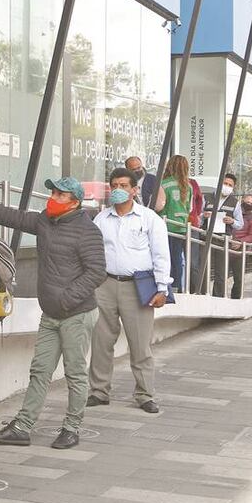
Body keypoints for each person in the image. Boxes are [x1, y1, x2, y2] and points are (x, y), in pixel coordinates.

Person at [0, 177, 106, 450]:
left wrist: (65, 299)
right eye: (52, 192)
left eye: (60, 194)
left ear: (74, 202)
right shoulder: (45, 221)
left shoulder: (88, 231)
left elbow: (96, 272)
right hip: (51, 313)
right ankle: (23, 427)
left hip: (77, 314)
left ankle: (72, 428)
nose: (53, 197)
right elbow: (10, 216)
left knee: (75, 373)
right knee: (40, 370)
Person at [88, 168, 172, 414]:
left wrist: (162, 288)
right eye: (114, 185)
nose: (118, 189)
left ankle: (145, 394)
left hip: (138, 287)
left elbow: (160, 255)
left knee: (140, 343)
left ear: (135, 190)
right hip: (104, 285)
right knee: (101, 340)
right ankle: (99, 391)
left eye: (124, 185)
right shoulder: (101, 219)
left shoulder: (149, 219)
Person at [204, 173, 245, 297]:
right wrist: (203, 216)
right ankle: (201, 294)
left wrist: (232, 221)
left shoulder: (234, 203)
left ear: (233, 188)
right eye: (225, 183)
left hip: (223, 239)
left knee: (221, 272)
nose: (227, 186)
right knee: (203, 269)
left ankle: (218, 297)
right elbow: (197, 217)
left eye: (230, 185)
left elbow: (240, 224)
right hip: (206, 237)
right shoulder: (207, 198)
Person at [158, 155, 192, 293]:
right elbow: (190, 208)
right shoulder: (188, 186)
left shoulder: (164, 184)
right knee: (177, 258)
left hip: (166, 226)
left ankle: (167, 286)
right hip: (182, 226)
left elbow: (159, 206)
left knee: (165, 258)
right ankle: (177, 286)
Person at [229, 195, 252, 299]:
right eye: (247, 202)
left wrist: (240, 242)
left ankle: (236, 299)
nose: (249, 204)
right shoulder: (232, 212)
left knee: (239, 278)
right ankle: (218, 297)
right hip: (225, 245)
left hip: (240, 251)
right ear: (242, 201)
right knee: (221, 275)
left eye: (251, 204)